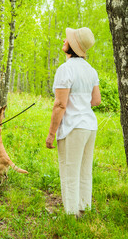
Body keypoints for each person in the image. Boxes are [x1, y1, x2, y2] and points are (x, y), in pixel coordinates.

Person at [46, 27, 101, 218]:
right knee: (85, 169)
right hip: (89, 126)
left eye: (67, 39)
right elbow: (96, 101)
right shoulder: (91, 70)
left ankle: (70, 216)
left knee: (70, 170)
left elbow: (60, 104)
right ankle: (83, 210)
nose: (64, 39)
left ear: (73, 46)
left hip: (73, 127)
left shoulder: (65, 69)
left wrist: (51, 133)